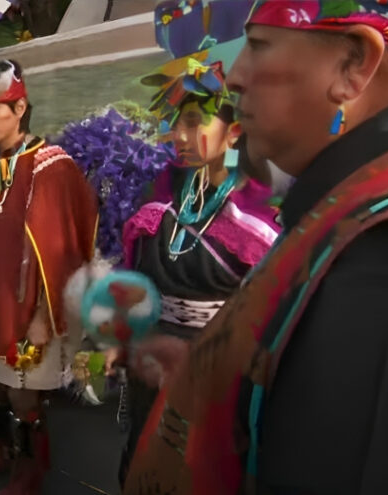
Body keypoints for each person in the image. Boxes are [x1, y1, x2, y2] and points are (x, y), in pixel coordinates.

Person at [126, 2, 388, 494]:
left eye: (258, 46)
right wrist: (221, 377)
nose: (235, 76)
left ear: (354, 64)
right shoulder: (383, 200)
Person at [107, 55, 279, 485]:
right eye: (177, 124)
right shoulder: (163, 188)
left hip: (214, 368)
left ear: (234, 131)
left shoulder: (259, 210)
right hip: (153, 354)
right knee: (143, 455)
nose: (179, 137)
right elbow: (138, 277)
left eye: (194, 123)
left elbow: (267, 313)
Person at [0, 60, 99, 494]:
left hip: (32, 308)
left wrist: (46, 317)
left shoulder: (51, 167)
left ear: (20, 107)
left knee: (25, 395)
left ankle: (32, 464)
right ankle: (2, 450)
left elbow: (62, 251)